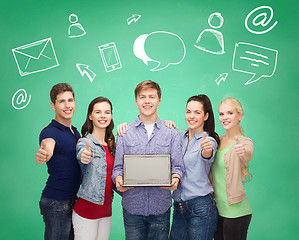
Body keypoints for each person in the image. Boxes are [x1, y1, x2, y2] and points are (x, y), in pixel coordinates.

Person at [112, 80, 185, 240]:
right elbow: (117, 168)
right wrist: (118, 179)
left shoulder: (170, 132)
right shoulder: (124, 132)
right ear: (136, 101)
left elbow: (178, 166)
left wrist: (175, 178)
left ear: (159, 100)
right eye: (142, 97)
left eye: (151, 97)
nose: (147, 101)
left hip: (161, 208)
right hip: (132, 208)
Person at [168, 95, 219, 240]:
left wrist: (206, 149)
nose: (191, 116)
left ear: (206, 116)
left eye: (197, 112)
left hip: (201, 208)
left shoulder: (209, 141)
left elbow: (207, 154)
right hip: (178, 207)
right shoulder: (178, 137)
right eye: (188, 111)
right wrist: (167, 124)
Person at [35, 83, 81, 240]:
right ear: (53, 105)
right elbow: (48, 145)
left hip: (73, 201)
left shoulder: (74, 131)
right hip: (57, 203)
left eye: (70, 100)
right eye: (62, 101)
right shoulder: (49, 132)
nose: (67, 105)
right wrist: (44, 153)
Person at [72, 97, 115, 240]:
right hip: (86, 212)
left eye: (107, 112)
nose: (103, 116)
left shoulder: (112, 146)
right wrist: (84, 156)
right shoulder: (85, 142)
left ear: (111, 116)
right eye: (98, 112)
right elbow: (82, 153)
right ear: (90, 116)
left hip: (106, 213)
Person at [211, 97, 254, 240]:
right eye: (221, 114)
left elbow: (247, 154)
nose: (224, 117)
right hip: (218, 211)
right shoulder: (219, 140)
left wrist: (243, 152)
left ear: (240, 116)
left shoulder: (244, 142)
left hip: (237, 213)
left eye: (229, 113)